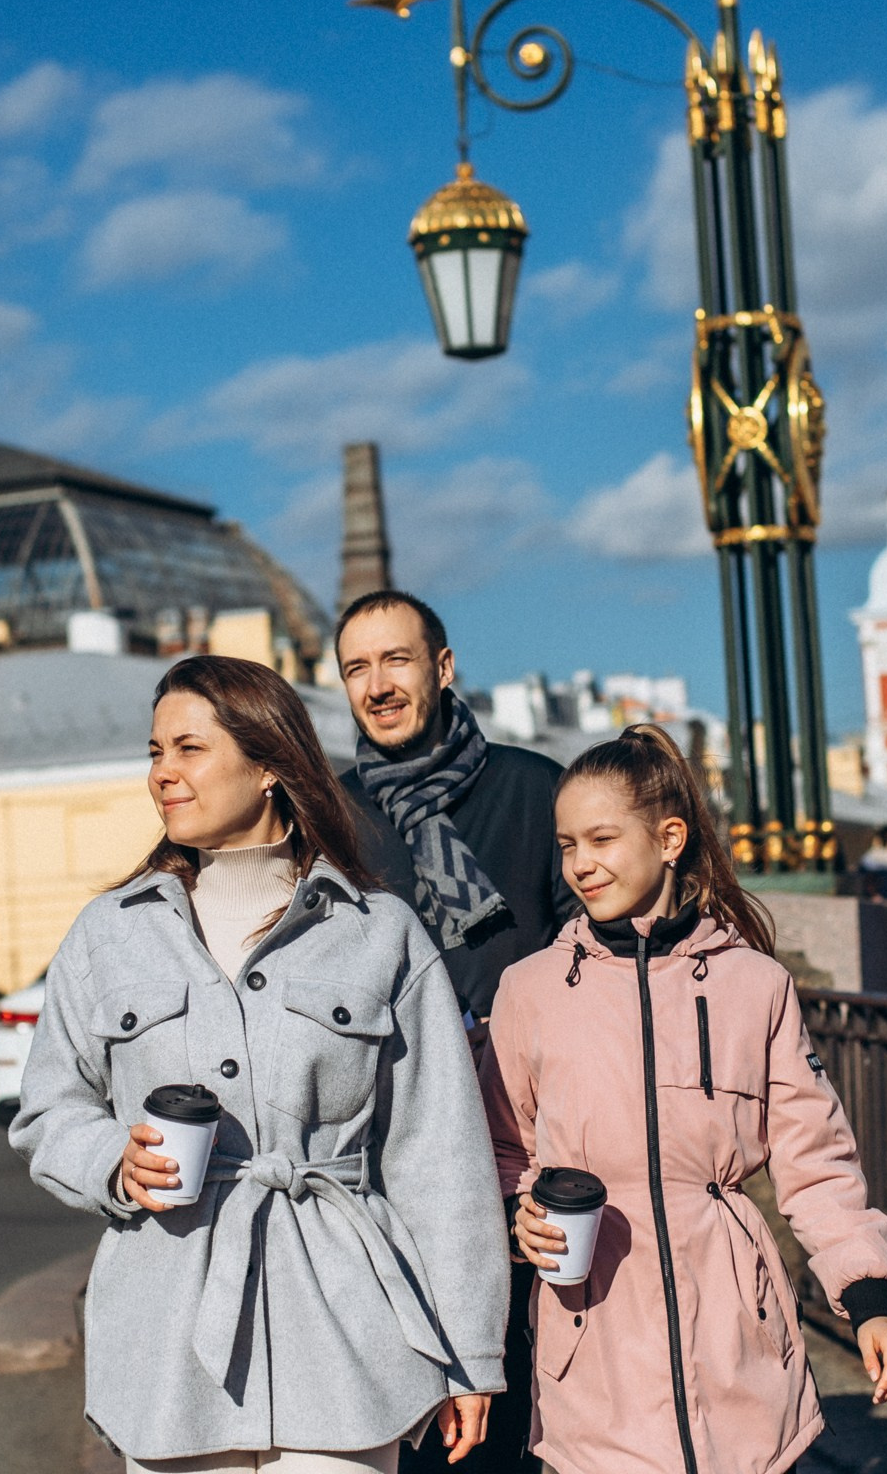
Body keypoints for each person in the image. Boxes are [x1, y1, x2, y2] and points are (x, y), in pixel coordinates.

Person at [12, 655, 507, 1472]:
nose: (163, 775)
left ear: (270, 762)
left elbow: (439, 1157)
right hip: (166, 1344)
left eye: (188, 750)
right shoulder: (110, 932)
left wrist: (470, 1349)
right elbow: (48, 1109)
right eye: (154, 752)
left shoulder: (378, 932)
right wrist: (115, 1161)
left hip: (349, 1339)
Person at [482, 725, 887, 1474]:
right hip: (592, 1336)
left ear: (670, 837)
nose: (580, 865)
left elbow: (815, 1161)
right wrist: (519, 1211)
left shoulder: (757, 986)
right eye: (566, 846)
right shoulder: (530, 991)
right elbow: (500, 1148)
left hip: (737, 1343)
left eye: (601, 840)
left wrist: (871, 1296)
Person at [334, 589, 575, 1474]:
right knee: (424, 1386)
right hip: (400, 1141)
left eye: (396, 660)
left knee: (526, 1372)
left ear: (441, 668)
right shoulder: (333, 816)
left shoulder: (534, 789)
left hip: (527, 1124)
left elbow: (587, 947)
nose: (378, 684)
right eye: (357, 668)